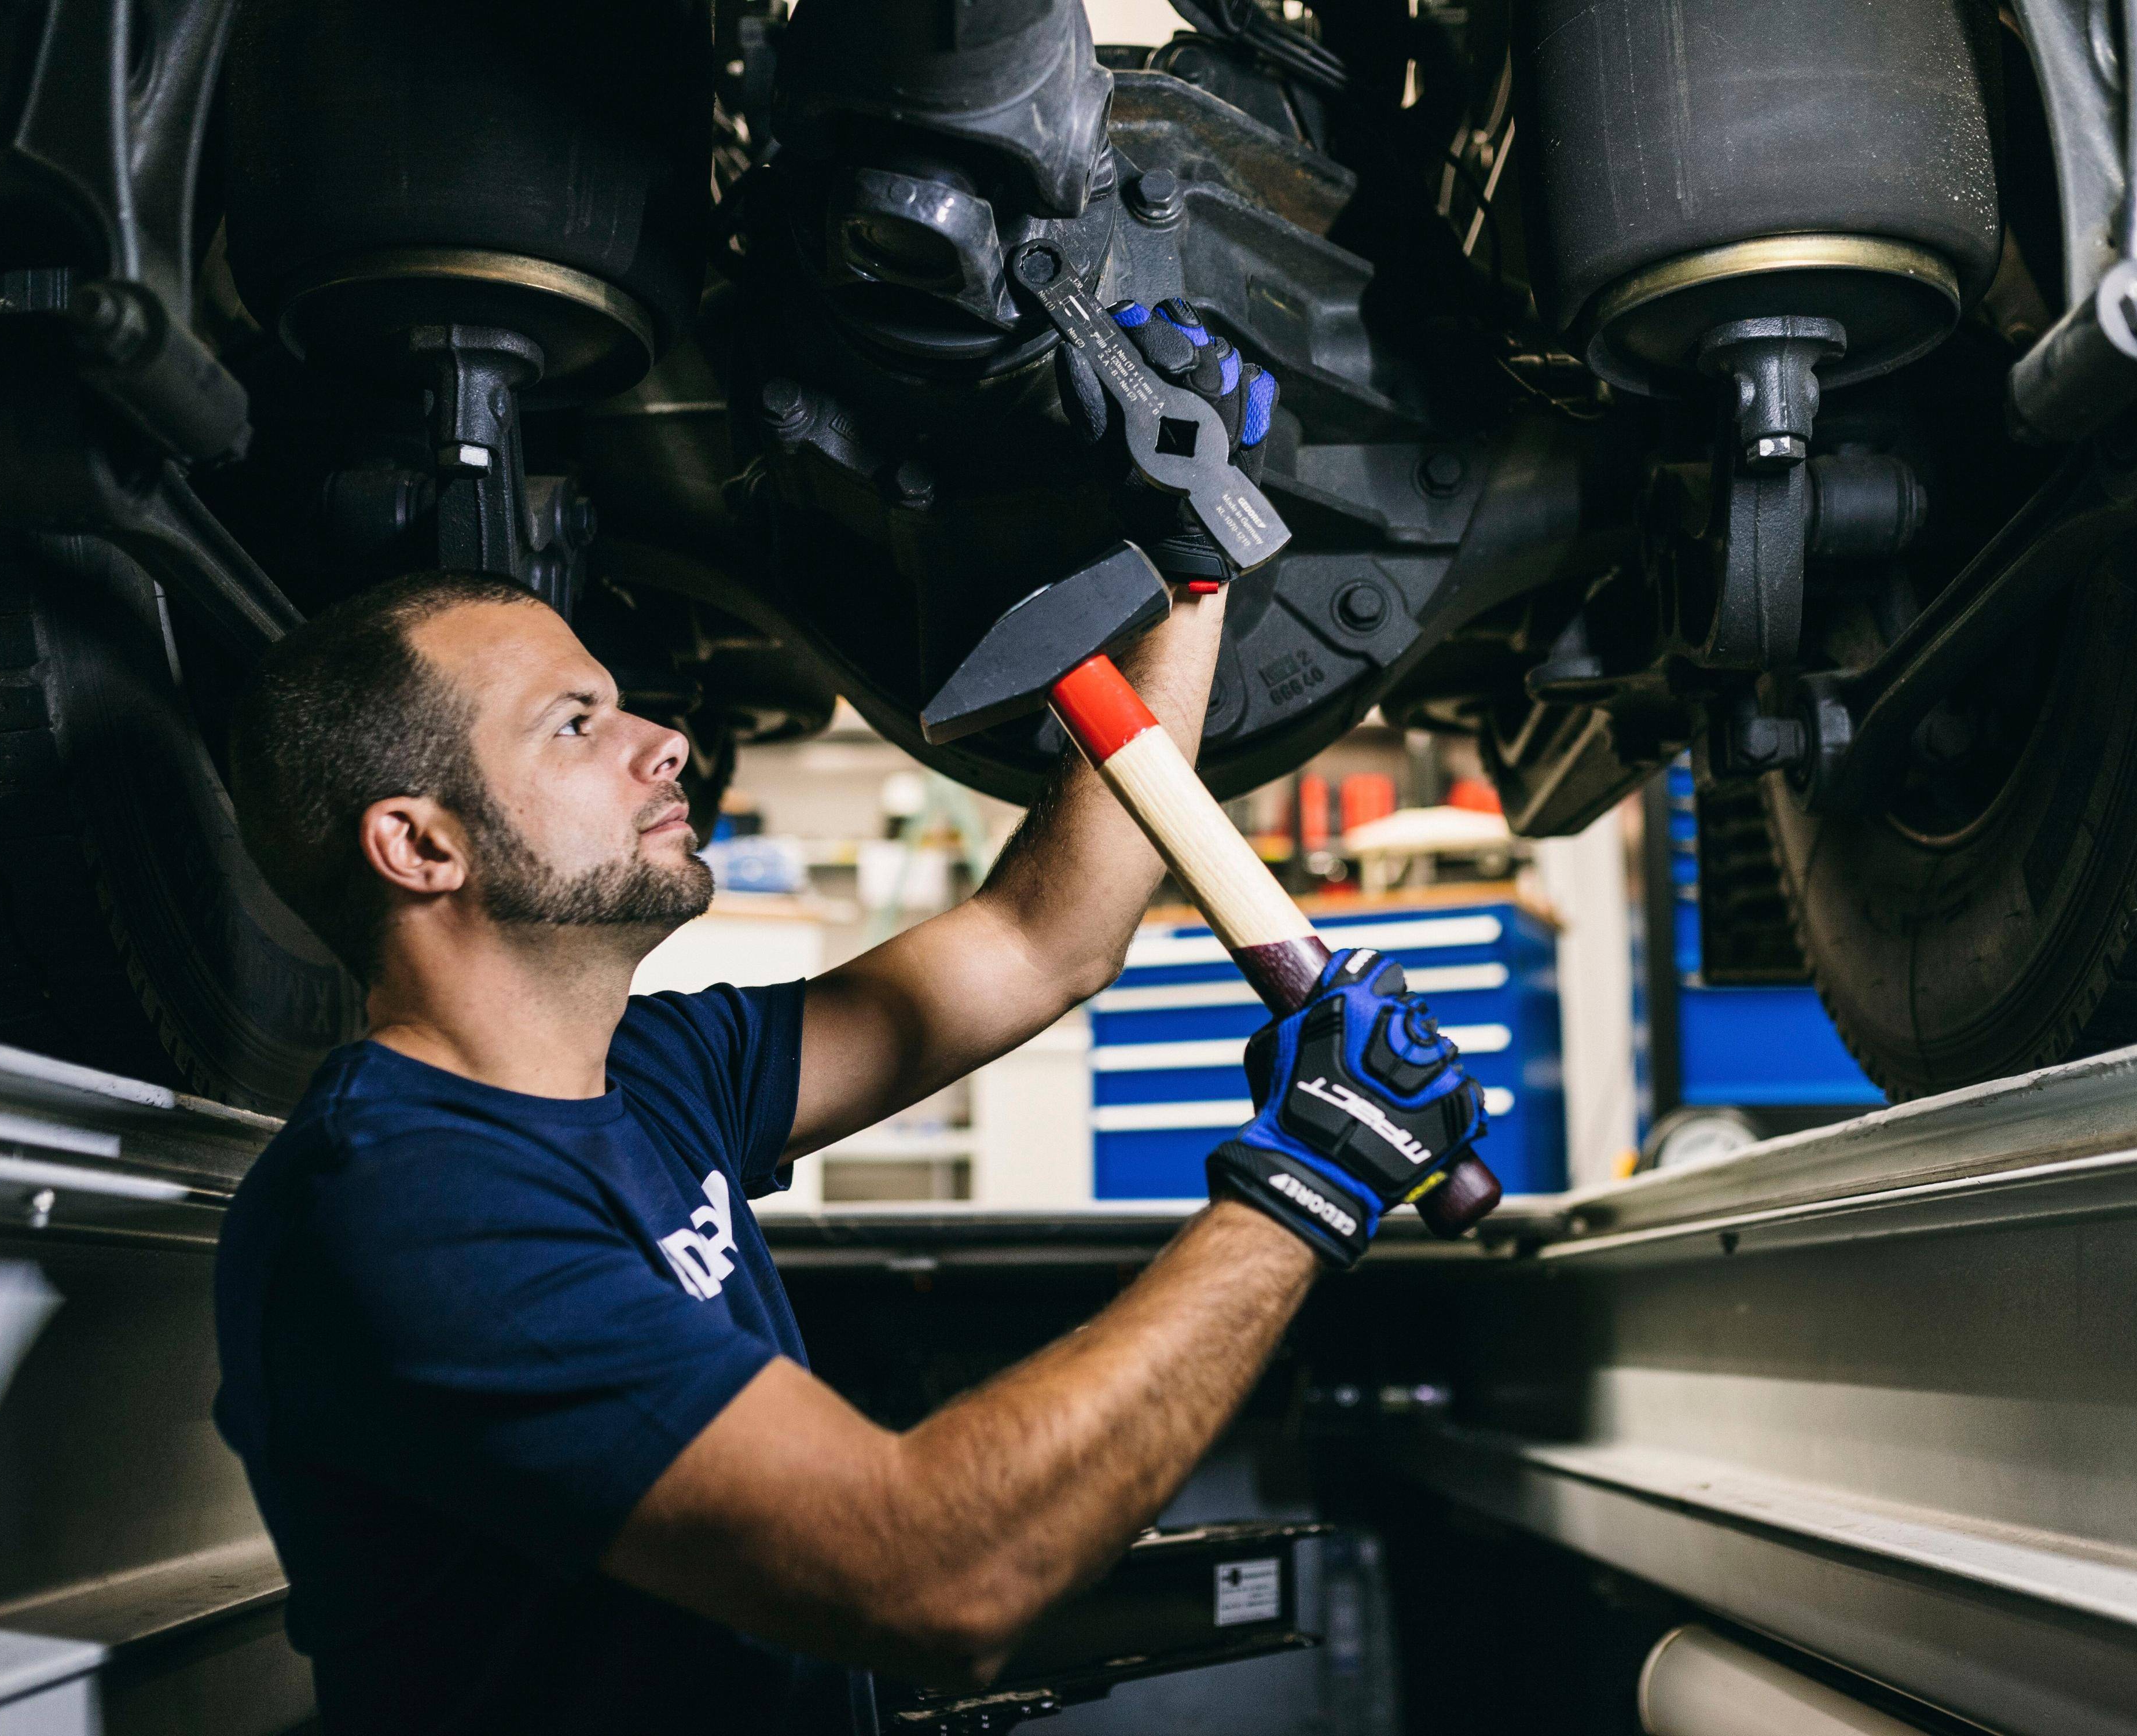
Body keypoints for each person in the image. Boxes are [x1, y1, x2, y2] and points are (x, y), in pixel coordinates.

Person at [211, 312, 1483, 1736]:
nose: (662, 740)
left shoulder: (650, 1073)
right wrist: (1313, 1177)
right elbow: (937, 1572)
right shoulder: (405, 1210)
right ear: (419, 846)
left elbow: (1036, 942)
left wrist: (1191, 579)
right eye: (575, 725)